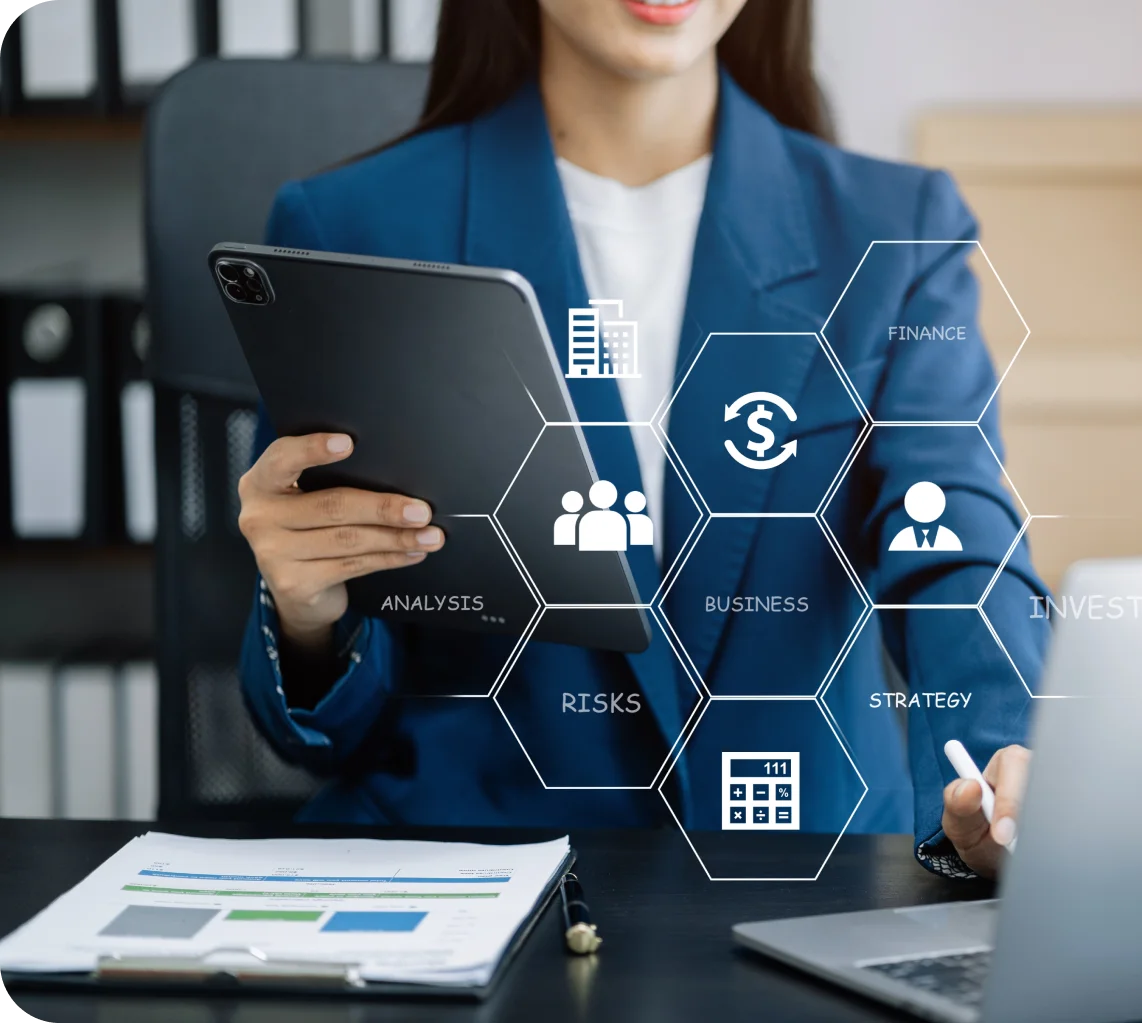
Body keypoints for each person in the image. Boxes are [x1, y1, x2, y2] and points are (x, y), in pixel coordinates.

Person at [234, 0, 1045, 879]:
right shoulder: (355, 227)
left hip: (806, 871)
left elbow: (953, 542)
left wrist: (1007, 768)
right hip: (468, 875)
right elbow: (322, 726)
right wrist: (307, 616)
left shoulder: (895, 232)